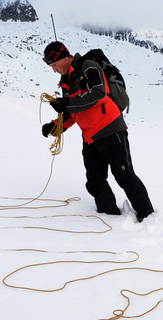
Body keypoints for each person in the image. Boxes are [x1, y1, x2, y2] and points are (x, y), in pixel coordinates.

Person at [42, 41, 154, 221]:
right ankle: (109, 217)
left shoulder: (88, 66)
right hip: (90, 138)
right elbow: (73, 111)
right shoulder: (66, 82)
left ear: (64, 57)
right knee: (95, 181)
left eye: (54, 64)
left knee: (125, 176)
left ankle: (148, 216)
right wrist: (56, 127)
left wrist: (67, 103)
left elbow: (98, 94)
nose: (54, 69)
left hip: (111, 130)